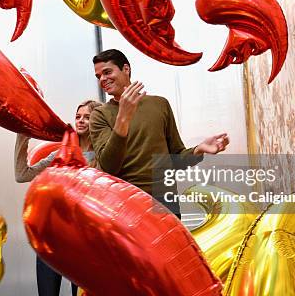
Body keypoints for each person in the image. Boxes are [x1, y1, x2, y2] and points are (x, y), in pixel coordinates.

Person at [89, 49, 229, 215]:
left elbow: (174, 160)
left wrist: (198, 150)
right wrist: (123, 118)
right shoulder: (99, 115)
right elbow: (108, 167)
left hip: (165, 202)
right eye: (98, 76)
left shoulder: (160, 104)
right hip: (126, 203)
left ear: (126, 69)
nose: (103, 79)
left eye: (107, 72)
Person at [14, 99, 102, 296]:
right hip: (51, 239)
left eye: (87, 117)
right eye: (78, 116)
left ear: (98, 120)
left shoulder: (104, 156)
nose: (81, 121)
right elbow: (22, 175)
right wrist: (23, 136)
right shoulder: (60, 154)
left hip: (83, 244)